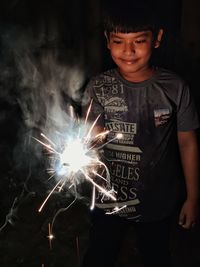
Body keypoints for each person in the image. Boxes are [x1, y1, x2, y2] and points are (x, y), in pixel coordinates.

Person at [81, 1, 200, 267]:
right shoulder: (98, 87)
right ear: (107, 41)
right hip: (108, 201)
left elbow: (188, 143)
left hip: (157, 201)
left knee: (156, 256)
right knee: (99, 255)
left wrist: (193, 198)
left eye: (139, 41)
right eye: (119, 41)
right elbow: (92, 137)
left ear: (156, 39)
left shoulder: (175, 88)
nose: (128, 51)